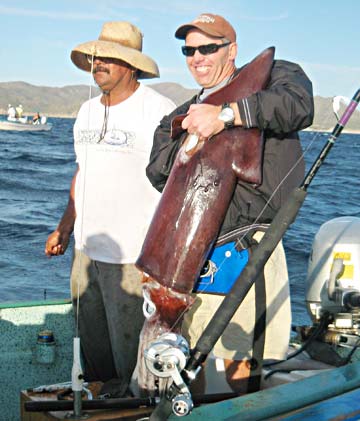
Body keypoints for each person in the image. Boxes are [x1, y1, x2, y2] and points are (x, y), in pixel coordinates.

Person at [146, 13, 314, 394]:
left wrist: (226, 115)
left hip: (247, 246)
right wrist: (189, 137)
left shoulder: (275, 77)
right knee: (191, 357)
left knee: (242, 361)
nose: (197, 57)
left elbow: (297, 106)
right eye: (189, 50)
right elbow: (156, 172)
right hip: (190, 253)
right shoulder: (180, 113)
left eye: (208, 47)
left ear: (232, 50)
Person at [45, 21, 175, 397]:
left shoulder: (159, 110)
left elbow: (177, 181)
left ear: (131, 66)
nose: (98, 63)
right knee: (95, 354)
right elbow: (83, 172)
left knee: (132, 358)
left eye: (110, 58)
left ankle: (138, 411)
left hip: (134, 256)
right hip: (86, 254)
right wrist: (65, 228)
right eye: (96, 56)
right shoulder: (85, 111)